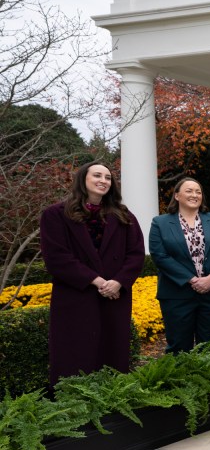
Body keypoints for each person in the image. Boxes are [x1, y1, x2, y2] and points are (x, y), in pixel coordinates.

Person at [39, 161, 145, 385]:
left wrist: (118, 282)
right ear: (83, 180)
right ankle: (73, 405)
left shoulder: (124, 216)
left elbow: (135, 255)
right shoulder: (56, 215)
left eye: (108, 178)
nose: (103, 181)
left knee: (112, 352)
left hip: (114, 297)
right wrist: (96, 281)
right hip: (76, 297)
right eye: (97, 175)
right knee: (75, 352)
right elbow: (57, 257)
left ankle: (112, 403)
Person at [148, 177, 210, 353]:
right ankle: (179, 381)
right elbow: (160, 256)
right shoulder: (160, 223)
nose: (194, 195)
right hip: (176, 294)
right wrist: (192, 280)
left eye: (198, 191)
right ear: (177, 195)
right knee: (178, 348)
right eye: (189, 191)